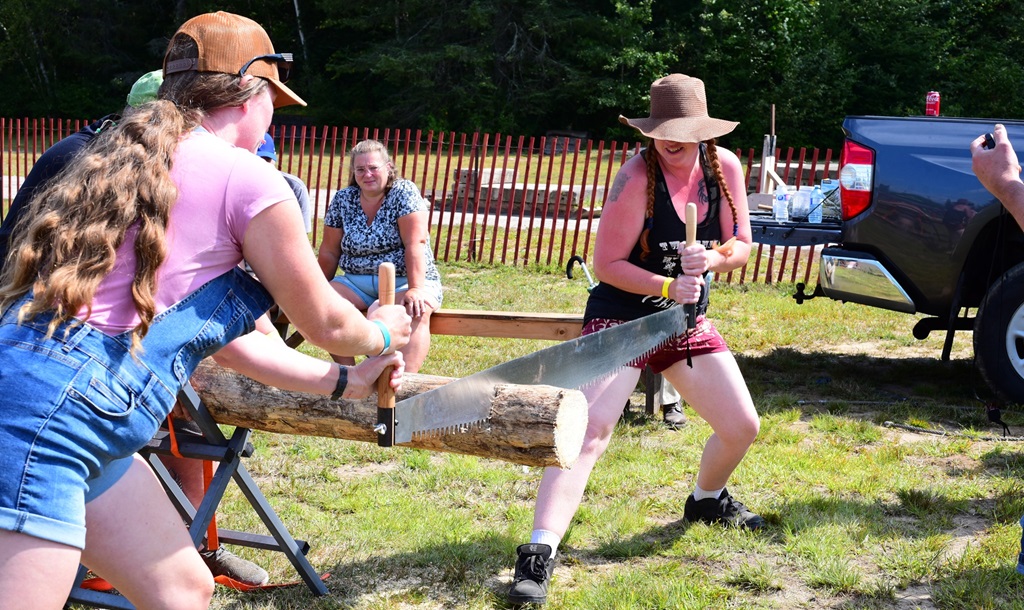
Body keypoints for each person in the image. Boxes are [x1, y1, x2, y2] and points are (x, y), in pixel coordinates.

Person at [0, 11, 411, 610]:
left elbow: (225, 340)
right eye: (275, 100)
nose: (276, 117)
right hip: (49, 424)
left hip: (60, 407)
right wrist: (379, 332)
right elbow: (328, 321)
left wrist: (345, 381)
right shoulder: (247, 182)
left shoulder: (118, 161)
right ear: (252, 97)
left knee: (184, 589)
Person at [0, 67, 275, 588]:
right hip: (45, 382)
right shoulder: (84, 160)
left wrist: (336, 378)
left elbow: (186, 305)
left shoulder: (135, 166)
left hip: (87, 380)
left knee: (186, 590)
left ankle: (196, 543)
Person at [506, 74, 762, 606]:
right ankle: (538, 552)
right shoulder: (634, 176)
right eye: (663, 130)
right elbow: (607, 266)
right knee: (591, 429)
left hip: (683, 321)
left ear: (703, 132)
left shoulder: (725, 169)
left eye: (684, 131)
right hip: (622, 319)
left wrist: (711, 259)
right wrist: (669, 281)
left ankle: (707, 500)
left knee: (742, 426)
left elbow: (742, 244)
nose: (672, 140)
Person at [317, 139, 443, 373]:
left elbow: (415, 243)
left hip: (406, 278)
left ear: (388, 168)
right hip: (356, 280)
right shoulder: (344, 199)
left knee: (412, 309)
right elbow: (329, 250)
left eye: (374, 167)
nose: (368, 174)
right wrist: (316, 287)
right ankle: (349, 376)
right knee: (322, 306)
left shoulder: (403, 192)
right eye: (360, 169)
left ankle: (403, 382)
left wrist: (416, 288)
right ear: (353, 173)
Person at [256, 132, 313, 234]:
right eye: (256, 160)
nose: (262, 165)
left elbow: (302, 234)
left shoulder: (295, 187)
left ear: (275, 158)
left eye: (267, 160)